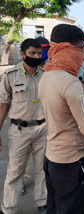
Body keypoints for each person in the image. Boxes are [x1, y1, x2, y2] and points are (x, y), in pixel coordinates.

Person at [38, 24, 84, 214]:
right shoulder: (70, 82)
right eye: (81, 48)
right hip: (72, 162)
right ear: (66, 49)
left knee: (55, 207)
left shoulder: (47, 75)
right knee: (73, 209)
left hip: (52, 157)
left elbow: (60, 112)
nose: (83, 54)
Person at [0, 39, 47, 214]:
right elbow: (3, 105)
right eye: (32, 53)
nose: (36, 56)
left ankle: (43, 203)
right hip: (19, 130)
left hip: (43, 129)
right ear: (22, 54)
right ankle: (9, 208)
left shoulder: (45, 75)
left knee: (42, 169)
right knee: (15, 171)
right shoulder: (10, 76)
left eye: (38, 53)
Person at [20, 36, 51, 196]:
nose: (41, 54)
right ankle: (22, 182)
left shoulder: (50, 70)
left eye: (44, 50)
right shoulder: (17, 72)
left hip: (43, 124)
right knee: (21, 161)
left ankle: (43, 199)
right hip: (22, 125)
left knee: (42, 163)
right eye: (38, 51)